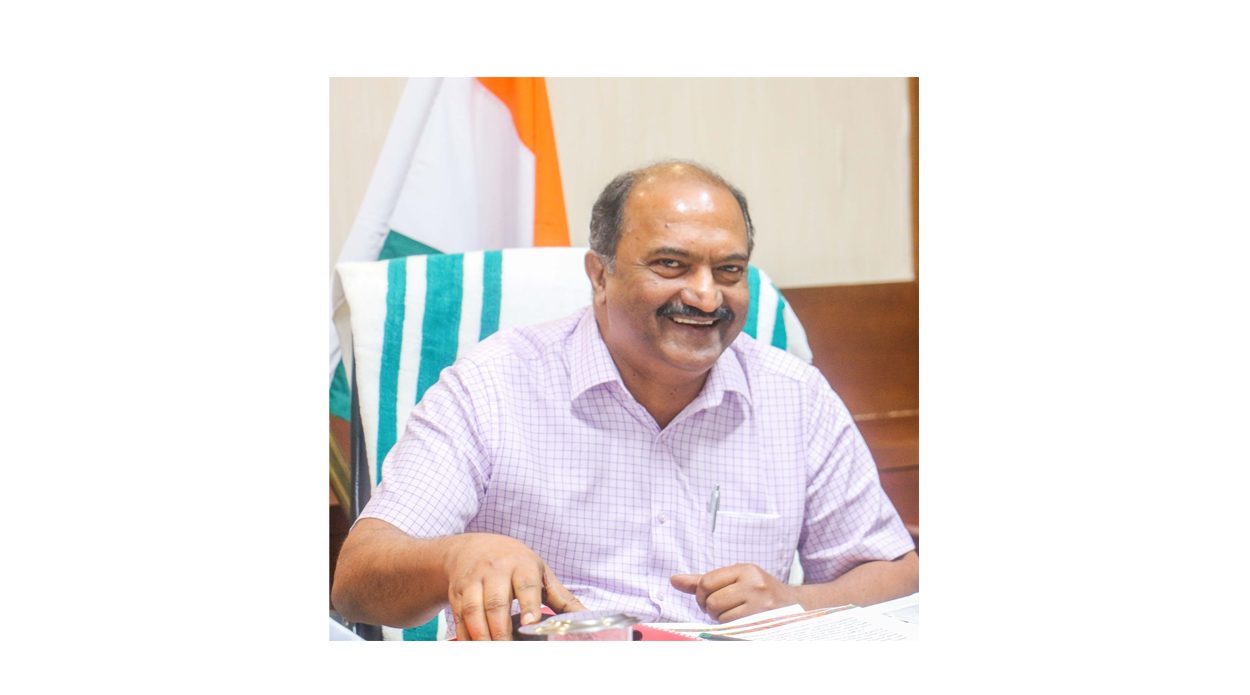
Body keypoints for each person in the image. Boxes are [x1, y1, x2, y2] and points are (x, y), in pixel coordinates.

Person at [331, 160, 918, 641]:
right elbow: (357, 581)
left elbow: (896, 574)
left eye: (729, 270)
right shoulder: (494, 385)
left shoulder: (795, 397)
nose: (705, 295)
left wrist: (795, 602)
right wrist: (457, 557)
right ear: (600, 276)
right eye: (671, 264)